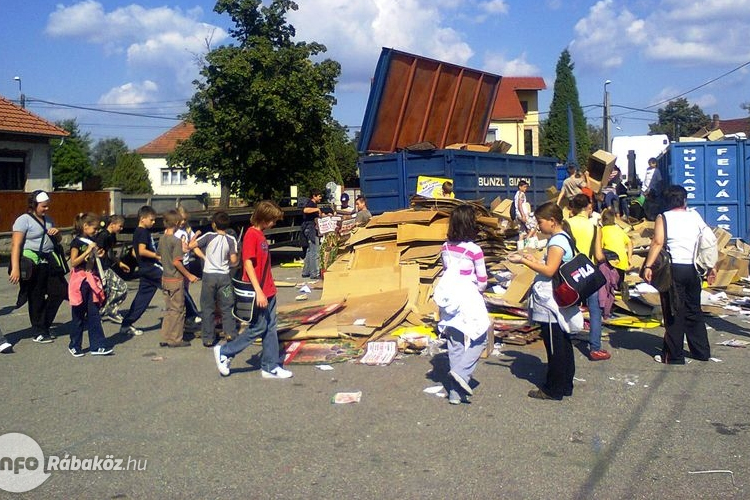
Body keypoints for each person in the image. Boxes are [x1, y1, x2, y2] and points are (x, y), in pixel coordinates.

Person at [213, 201, 293, 379]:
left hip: (268, 290)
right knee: (259, 327)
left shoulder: (261, 235)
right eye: (272, 220)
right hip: (258, 292)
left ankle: (269, 366)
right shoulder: (251, 235)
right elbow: (247, 263)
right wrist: (258, 290)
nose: (274, 224)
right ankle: (225, 351)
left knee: (270, 327)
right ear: (264, 218)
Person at [509, 202, 578, 399]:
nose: (538, 226)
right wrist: (535, 260)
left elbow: (550, 270)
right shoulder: (564, 238)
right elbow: (552, 265)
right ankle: (565, 384)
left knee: (555, 346)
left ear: (552, 221)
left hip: (552, 302)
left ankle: (553, 389)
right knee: (563, 343)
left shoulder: (557, 242)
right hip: (560, 299)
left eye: (540, 222)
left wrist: (524, 261)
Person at [643, 185, 713, 364]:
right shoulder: (695, 216)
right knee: (694, 310)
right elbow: (708, 240)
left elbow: (658, 242)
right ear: (684, 200)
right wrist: (712, 266)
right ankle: (701, 352)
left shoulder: (663, 217)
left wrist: (648, 266)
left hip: (673, 270)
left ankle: (674, 355)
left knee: (674, 311)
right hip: (693, 269)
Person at [435, 205, 489, 404]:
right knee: (481, 337)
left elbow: (447, 272)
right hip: (468, 299)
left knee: (455, 343)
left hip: (449, 300)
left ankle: (455, 394)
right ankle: (460, 372)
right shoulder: (475, 250)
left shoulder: (445, 247)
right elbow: (483, 281)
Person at [9, 190, 68, 344]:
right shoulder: (23, 220)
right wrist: (15, 267)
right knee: (36, 297)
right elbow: (16, 244)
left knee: (60, 291)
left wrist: (57, 234)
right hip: (32, 263)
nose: (46, 209)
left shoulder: (48, 220)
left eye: (47, 206)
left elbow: (58, 240)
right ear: (34, 205)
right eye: (43, 206)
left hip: (49, 261)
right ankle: (39, 331)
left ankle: (44, 324)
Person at [566, 194, 610, 361]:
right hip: (589, 272)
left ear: (573, 207)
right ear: (588, 206)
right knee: (594, 311)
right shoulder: (594, 227)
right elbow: (599, 255)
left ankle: (565, 339)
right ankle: (595, 348)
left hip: (570, 272)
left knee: (567, 307)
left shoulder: (566, 224)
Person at [189, 211, 238, 347]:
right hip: (224, 277)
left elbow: (192, 246)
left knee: (207, 306)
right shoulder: (231, 239)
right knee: (227, 306)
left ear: (214, 224)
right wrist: (227, 261)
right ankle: (230, 333)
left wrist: (203, 256)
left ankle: (208, 338)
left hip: (209, 276)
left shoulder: (209, 236)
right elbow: (234, 260)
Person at [67, 212, 113, 357]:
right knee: (78, 315)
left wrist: (99, 253)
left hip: (92, 279)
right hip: (80, 281)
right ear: (85, 226)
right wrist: (87, 251)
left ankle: (97, 345)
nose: (96, 231)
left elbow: (94, 259)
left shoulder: (93, 241)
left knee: (94, 314)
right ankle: (74, 344)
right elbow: (73, 262)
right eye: (94, 228)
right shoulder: (77, 242)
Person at [157, 209, 199, 348]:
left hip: (165, 278)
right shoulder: (175, 241)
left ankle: (165, 336)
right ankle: (175, 338)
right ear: (176, 223)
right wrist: (189, 275)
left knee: (169, 309)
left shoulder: (162, 238)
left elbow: (160, 255)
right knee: (178, 310)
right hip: (176, 279)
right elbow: (177, 262)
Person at [119, 206, 162, 337]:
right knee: (176, 284)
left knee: (142, 298)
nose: (153, 222)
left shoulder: (138, 231)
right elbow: (142, 250)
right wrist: (157, 256)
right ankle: (191, 315)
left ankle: (126, 324)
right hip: (151, 267)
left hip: (144, 268)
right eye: (151, 220)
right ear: (143, 219)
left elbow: (134, 251)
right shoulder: (143, 232)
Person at [95, 214, 129, 323]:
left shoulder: (112, 236)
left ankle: (100, 312)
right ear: (112, 224)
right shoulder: (103, 236)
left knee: (108, 292)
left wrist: (119, 263)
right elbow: (96, 252)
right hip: (101, 268)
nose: (121, 228)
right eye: (120, 226)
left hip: (107, 266)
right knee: (122, 287)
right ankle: (111, 311)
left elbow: (110, 253)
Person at [175, 205, 202, 327]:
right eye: (181, 219)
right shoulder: (174, 232)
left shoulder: (187, 230)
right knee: (182, 291)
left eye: (185, 220)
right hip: (178, 264)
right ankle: (191, 313)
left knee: (185, 290)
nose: (183, 222)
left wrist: (204, 257)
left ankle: (186, 316)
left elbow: (192, 245)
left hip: (186, 264)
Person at [598, 208, 632, 289]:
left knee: (608, 279)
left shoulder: (602, 231)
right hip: (622, 260)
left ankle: (612, 288)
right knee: (620, 277)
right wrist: (629, 258)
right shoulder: (619, 230)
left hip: (611, 261)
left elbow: (600, 247)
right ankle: (621, 286)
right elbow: (630, 243)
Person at [301, 189, 323, 280]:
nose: (320, 197)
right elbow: (305, 210)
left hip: (308, 228)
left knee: (310, 251)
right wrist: (317, 209)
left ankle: (306, 271)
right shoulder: (311, 203)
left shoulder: (313, 204)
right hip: (311, 229)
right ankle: (314, 273)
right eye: (319, 196)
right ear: (314, 196)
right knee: (315, 251)